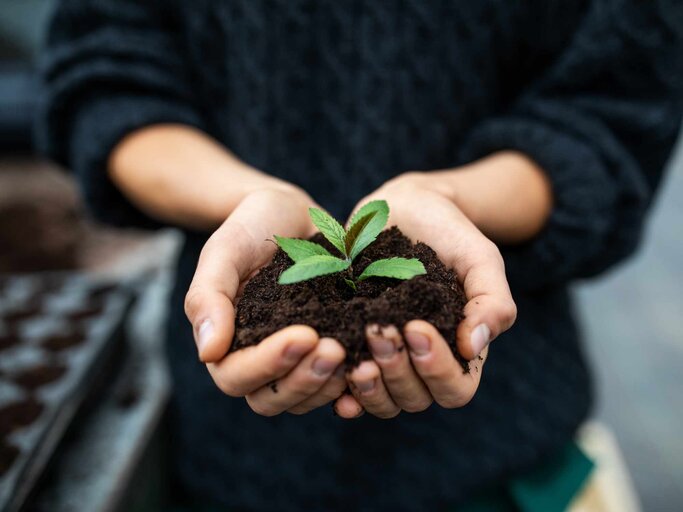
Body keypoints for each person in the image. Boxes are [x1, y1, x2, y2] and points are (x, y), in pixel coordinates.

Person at [39, 1, 682, 509]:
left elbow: (612, 111)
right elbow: (106, 78)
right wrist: (245, 198)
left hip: (499, 459)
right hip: (224, 460)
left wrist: (450, 195)